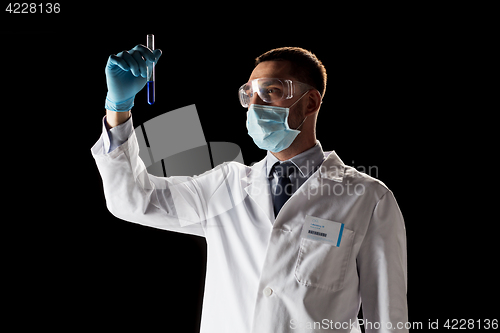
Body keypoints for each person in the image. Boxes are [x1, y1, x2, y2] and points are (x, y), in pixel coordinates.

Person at [92, 45, 408, 333]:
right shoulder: (224, 186)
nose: (255, 104)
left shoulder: (369, 199)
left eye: (270, 91)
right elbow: (133, 201)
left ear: (310, 101)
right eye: (250, 94)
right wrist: (118, 107)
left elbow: (388, 321)